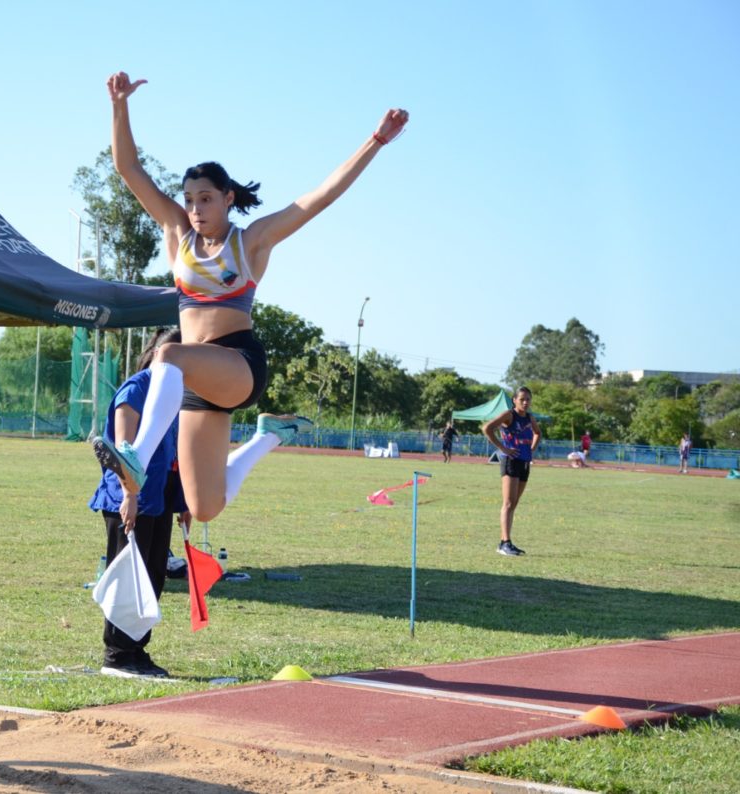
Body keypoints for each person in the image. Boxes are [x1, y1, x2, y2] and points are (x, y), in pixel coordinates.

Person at [92, 70, 409, 523]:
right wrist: (119, 105)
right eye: (189, 200)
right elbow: (128, 169)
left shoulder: (251, 241)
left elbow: (319, 197)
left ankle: (136, 457)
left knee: (166, 354)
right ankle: (268, 436)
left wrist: (375, 140)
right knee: (204, 507)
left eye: (205, 199)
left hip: (236, 363)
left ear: (227, 198)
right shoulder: (177, 233)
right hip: (192, 380)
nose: (195, 209)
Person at [89, 328, 190, 679]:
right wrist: (130, 496)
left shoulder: (176, 393)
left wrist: (184, 502)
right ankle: (116, 655)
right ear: (159, 353)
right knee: (128, 578)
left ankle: (137, 652)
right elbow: (122, 450)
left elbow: (175, 453)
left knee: (153, 578)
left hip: (159, 498)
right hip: (127, 499)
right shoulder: (136, 388)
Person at [483, 387, 542, 556]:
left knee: (514, 503)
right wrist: (503, 448)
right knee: (508, 503)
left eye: (528, 399)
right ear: (514, 400)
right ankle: (504, 543)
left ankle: (507, 542)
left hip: (524, 462)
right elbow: (487, 428)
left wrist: (531, 450)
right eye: (522, 399)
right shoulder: (509, 415)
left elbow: (538, 433)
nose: (525, 402)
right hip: (510, 461)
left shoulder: (530, 418)